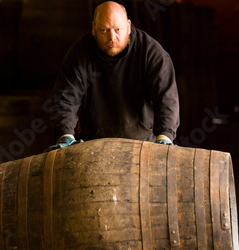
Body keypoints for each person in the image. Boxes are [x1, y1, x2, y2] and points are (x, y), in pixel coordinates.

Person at [46, 1, 179, 151]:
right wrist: (65, 135)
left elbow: (167, 99)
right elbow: (66, 99)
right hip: (93, 147)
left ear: (128, 26)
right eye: (104, 30)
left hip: (142, 146)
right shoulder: (79, 55)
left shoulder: (151, 53)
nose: (112, 37)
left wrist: (165, 136)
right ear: (94, 29)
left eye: (118, 29)